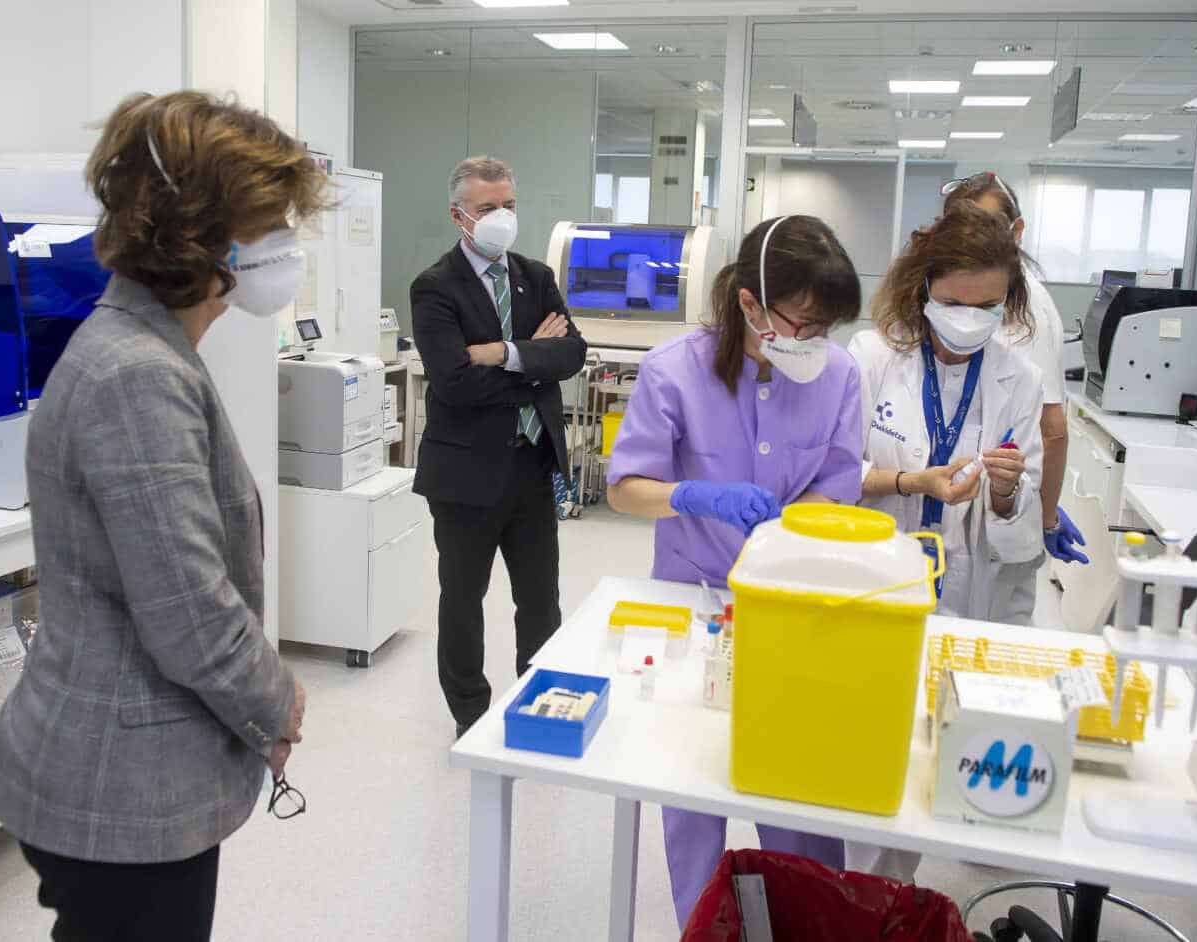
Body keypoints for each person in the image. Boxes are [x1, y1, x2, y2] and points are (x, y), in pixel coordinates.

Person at [0, 91, 320, 941]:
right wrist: (278, 703)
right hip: (119, 781)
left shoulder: (149, 348)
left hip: (122, 767)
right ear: (201, 237)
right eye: (270, 223)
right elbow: (189, 610)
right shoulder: (135, 374)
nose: (286, 245)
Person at [606, 215, 864, 927]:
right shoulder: (675, 371)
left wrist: (791, 526)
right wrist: (689, 494)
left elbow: (840, 478)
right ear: (751, 304)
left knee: (799, 796)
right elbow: (626, 487)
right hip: (695, 602)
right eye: (804, 323)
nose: (816, 342)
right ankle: (704, 923)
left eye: (827, 327)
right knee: (690, 789)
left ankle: (811, 918)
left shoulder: (838, 373)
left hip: (796, 606)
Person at [410, 157, 587, 738]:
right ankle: (471, 714)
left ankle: (539, 703)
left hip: (532, 466)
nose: (502, 217)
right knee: (463, 600)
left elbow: (571, 354)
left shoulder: (534, 277)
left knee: (541, 599)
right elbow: (454, 383)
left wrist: (500, 352)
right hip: (465, 476)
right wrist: (530, 358)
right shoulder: (435, 286)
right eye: (488, 208)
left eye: (509, 205)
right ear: (459, 215)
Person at [850, 202, 1046, 622]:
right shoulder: (872, 358)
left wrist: (1006, 490)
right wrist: (913, 482)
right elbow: (835, 470)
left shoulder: (1021, 379)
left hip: (968, 586)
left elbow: (1019, 509)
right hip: (875, 572)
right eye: (954, 304)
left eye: (988, 306)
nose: (970, 321)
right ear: (924, 289)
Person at [940, 172, 1090, 626]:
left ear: (1017, 231)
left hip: (992, 515)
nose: (973, 241)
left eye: (984, 226)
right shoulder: (952, 296)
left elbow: (1052, 427)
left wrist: (1043, 515)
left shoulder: (1024, 308)